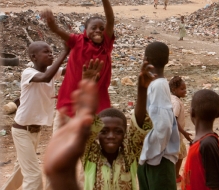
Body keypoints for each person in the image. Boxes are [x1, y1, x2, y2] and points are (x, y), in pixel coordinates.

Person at [76, 59, 155, 189]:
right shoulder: (90, 155)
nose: (111, 136)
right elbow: (83, 127)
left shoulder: (129, 154)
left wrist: (142, 90)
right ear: (96, 133)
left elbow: (139, 126)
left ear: (126, 134)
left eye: (118, 131)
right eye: (104, 131)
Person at [41, 0, 115, 121]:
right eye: (93, 28)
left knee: (91, 141)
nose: (98, 30)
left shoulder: (105, 44)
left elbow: (110, 20)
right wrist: (52, 24)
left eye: (101, 28)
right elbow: (58, 31)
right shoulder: (77, 41)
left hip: (95, 105)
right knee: (61, 141)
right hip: (69, 104)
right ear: (85, 31)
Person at [1, 42, 69, 190]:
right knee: (34, 176)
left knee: (20, 172)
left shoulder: (51, 71)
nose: (51, 54)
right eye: (46, 52)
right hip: (21, 131)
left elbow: (70, 70)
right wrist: (64, 52)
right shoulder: (28, 73)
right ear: (33, 57)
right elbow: (45, 77)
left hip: (35, 131)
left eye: (52, 51)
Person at [138, 42, 180, 190]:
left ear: (146, 60)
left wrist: (149, 153)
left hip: (158, 159)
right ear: (167, 61)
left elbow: (163, 126)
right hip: (153, 158)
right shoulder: (156, 84)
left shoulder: (158, 86)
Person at [181, 90, 219, 190]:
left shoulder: (207, 144)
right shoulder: (200, 143)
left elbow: (217, 184)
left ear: (192, 112)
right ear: (218, 114)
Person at [169, 76, 193, 183]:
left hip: (176, 134)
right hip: (176, 135)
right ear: (174, 90)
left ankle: (175, 174)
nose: (185, 91)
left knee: (180, 154)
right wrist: (184, 132)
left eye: (185, 89)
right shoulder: (176, 103)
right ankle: (175, 176)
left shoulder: (172, 99)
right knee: (179, 155)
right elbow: (173, 119)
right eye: (182, 89)